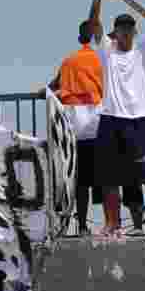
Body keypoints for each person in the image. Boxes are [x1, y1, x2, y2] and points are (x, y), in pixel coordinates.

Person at [87, 0, 145, 236]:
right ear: (115, 33)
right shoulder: (107, 53)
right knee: (109, 176)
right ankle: (111, 223)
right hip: (111, 118)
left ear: (134, 32)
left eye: (128, 29)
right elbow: (93, 23)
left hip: (138, 120)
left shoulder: (143, 50)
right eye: (120, 29)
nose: (124, 33)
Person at [49, 20, 104, 235]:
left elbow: (54, 85)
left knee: (80, 181)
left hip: (74, 126)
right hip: (98, 123)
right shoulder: (102, 59)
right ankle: (112, 223)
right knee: (106, 178)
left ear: (80, 37)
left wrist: (42, 91)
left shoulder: (69, 61)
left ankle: (81, 225)